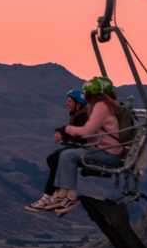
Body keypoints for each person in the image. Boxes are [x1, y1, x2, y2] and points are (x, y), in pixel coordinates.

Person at [31, 76, 127, 215]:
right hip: (105, 149)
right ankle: (62, 195)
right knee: (65, 155)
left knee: (68, 156)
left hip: (108, 153)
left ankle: (69, 197)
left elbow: (87, 131)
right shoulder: (107, 106)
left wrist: (66, 129)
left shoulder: (101, 107)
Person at [25, 89, 90, 212]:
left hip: (85, 149)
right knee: (52, 159)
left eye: (70, 101)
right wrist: (62, 132)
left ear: (78, 104)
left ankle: (49, 196)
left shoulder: (83, 117)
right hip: (81, 147)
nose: (67, 104)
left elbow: (79, 134)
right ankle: (57, 193)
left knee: (56, 159)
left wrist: (62, 133)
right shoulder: (79, 115)